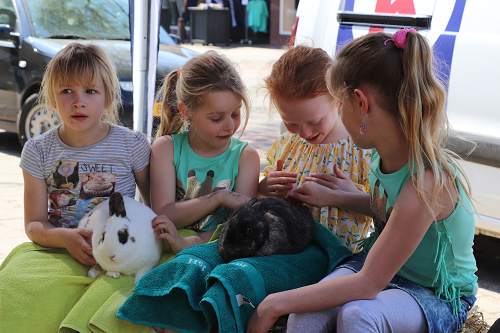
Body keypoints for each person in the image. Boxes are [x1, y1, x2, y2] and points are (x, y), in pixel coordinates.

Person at [247, 29, 478, 333]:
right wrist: (340, 196)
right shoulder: (380, 153)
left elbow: (369, 283)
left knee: (358, 315)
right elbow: (396, 214)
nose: (339, 114)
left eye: (339, 104)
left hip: (436, 293)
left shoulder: (427, 182)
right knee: (305, 316)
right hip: (384, 268)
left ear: (360, 102)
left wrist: (270, 305)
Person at [0, 42, 152, 332]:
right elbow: (34, 224)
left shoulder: (133, 145)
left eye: (90, 91)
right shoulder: (37, 151)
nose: (78, 101)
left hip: (119, 256)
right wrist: (66, 238)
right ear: (53, 99)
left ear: (108, 97)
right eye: (67, 91)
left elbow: (153, 208)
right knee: (9, 288)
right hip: (60, 252)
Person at [258, 45, 372, 253]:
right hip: (286, 255)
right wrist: (265, 188)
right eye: (291, 123)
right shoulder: (287, 145)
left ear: (338, 98)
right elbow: (262, 199)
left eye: (315, 121)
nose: (304, 133)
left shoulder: (362, 149)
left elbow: (389, 211)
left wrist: (350, 195)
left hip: (340, 261)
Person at [149, 50, 260, 255]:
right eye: (216, 118)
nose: (229, 126)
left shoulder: (246, 157)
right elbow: (163, 214)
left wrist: (188, 243)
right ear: (186, 112)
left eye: (235, 114)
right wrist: (218, 198)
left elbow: (241, 227)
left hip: (218, 251)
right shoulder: (165, 149)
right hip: (162, 250)